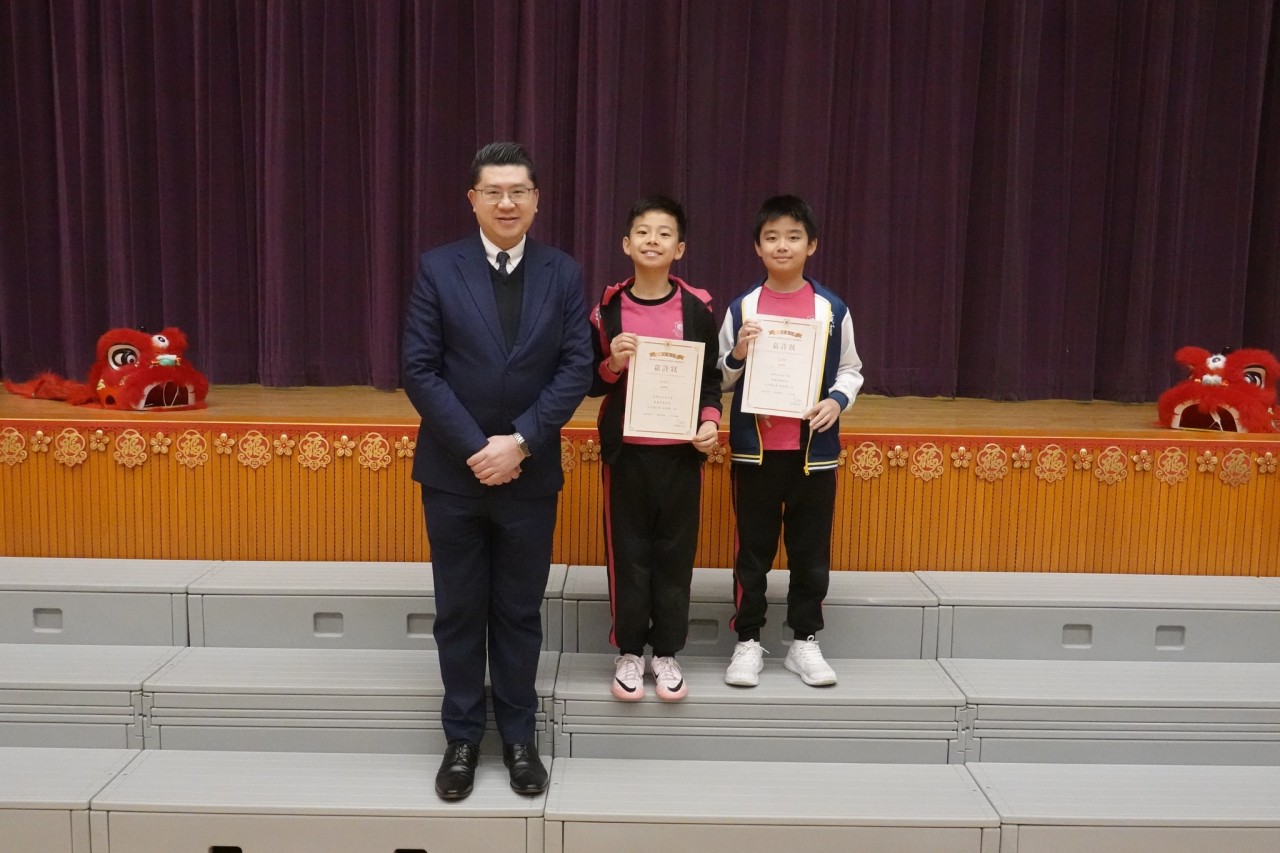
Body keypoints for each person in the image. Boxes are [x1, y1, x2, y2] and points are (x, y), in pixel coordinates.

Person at [402, 142, 593, 800]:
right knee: (458, 612)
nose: (506, 203)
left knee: (518, 611)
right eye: (494, 191)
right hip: (452, 475)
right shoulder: (438, 267)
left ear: (536, 199)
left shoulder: (563, 272)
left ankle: (517, 737)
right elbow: (419, 368)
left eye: (518, 191)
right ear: (473, 200)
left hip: (530, 477)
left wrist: (521, 443)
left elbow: (576, 366)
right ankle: (461, 738)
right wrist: (477, 448)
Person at [717, 194, 863, 689]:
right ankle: (747, 641)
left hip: (812, 454)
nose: (783, 245)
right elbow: (721, 378)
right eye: (772, 237)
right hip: (755, 452)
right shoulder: (743, 308)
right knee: (752, 552)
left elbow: (851, 369)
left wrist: (836, 402)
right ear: (757, 247)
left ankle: (804, 641)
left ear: (811, 245)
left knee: (810, 552)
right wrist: (738, 354)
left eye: (793, 237)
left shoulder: (831, 309)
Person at [587, 196, 722, 703]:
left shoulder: (697, 308)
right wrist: (612, 365)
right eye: (643, 232)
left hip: (681, 456)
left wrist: (709, 423)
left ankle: (666, 652)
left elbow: (711, 382)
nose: (652, 240)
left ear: (679, 248)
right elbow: (591, 382)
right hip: (626, 455)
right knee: (628, 556)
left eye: (664, 233)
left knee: (674, 556)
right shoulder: (607, 309)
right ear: (626, 243)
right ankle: (628, 651)